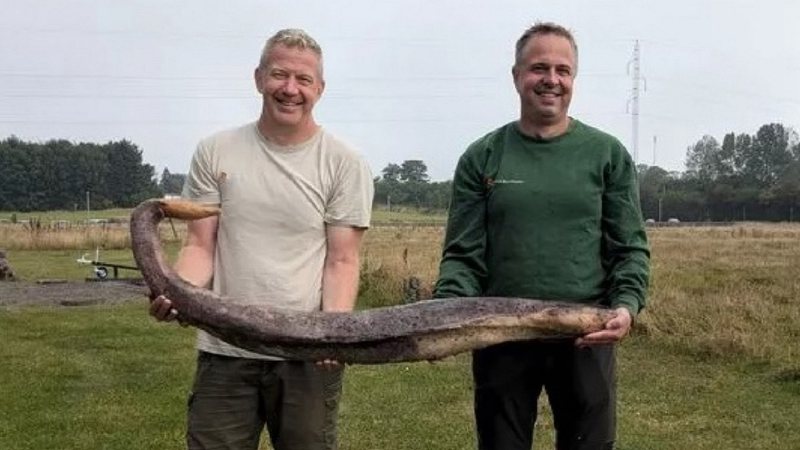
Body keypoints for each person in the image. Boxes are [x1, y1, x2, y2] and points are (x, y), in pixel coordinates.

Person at [149, 28, 374, 450]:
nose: (290, 89)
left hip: (306, 354)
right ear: (258, 79)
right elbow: (200, 245)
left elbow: (342, 260)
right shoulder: (215, 151)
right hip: (225, 348)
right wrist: (179, 292)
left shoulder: (345, 163)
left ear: (320, 89)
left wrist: (333, 330)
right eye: (279, 75)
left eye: (303, 80)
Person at [433, 22, 650, 450]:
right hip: (500, 332)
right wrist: (446, 312)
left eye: (563, 70)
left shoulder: (606, 155)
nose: (551, 80)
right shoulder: (483, 156)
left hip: (586, 332)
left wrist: (626, 305)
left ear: (573, 79)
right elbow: (463, 254)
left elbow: (629, 246)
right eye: (539, 68)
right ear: (516, 76)